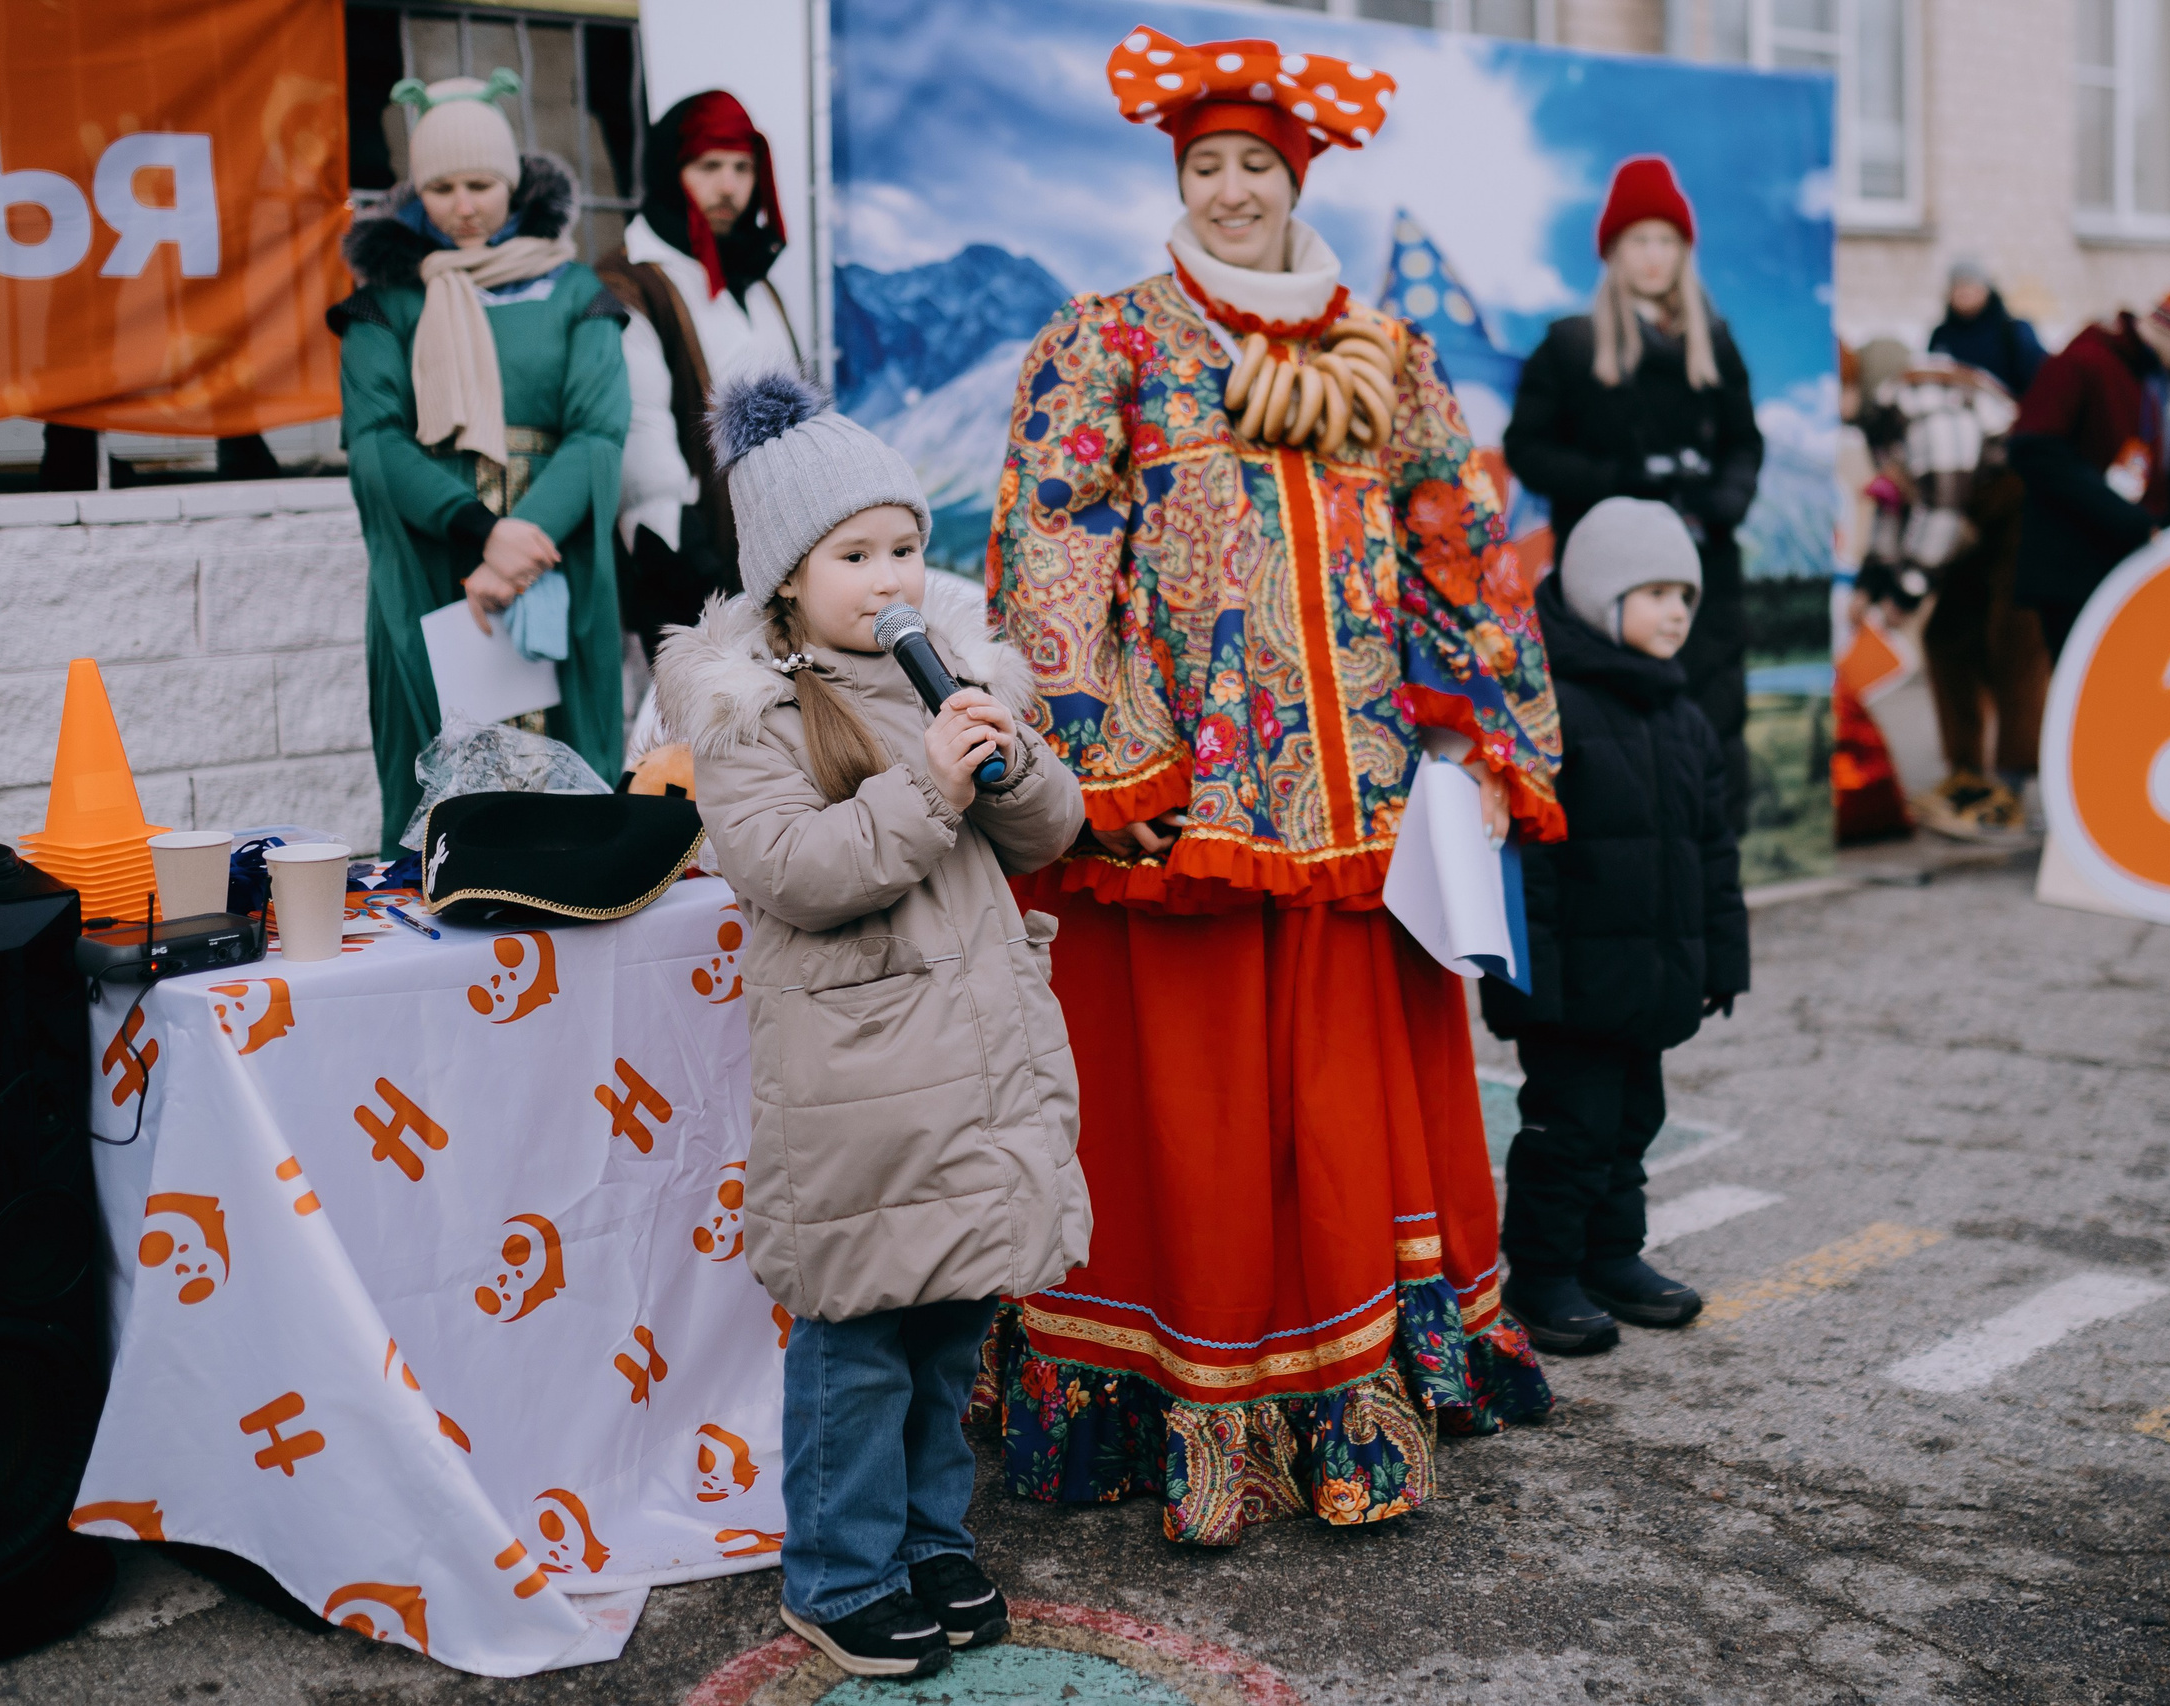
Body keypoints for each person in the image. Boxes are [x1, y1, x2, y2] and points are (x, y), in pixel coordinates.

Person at [981, 27, 1564, 1547]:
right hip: (1193, 825)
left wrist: (1494, 741)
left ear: (1296, 181)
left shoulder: (1387, 356)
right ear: (1178, 180)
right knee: (1201, 1119)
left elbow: (1462, 548)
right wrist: (1109, 758)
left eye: (1255, 165)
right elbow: (1052, 552)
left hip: (1362, 816)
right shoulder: (1109, 342)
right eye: (1204, 167)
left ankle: (1358, 1405)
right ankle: (1189, 1410)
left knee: (1340, 1118)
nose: (1230, 190)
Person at [655, 371, 1089, 1679]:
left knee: (953, 1312)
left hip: (970, 1070)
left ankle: (930, 1537)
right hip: (860, 1080)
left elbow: (1050, 834)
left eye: (904, 545)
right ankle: (840, 1573)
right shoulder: (750, 712)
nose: (891, 575)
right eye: (857, 555)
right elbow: (794, 870)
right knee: (860, 1336)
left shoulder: (943, 670)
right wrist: (925, 784)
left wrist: (1007, 756)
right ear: (787, 577)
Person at [331, 72, 629, 854]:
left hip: (548, 556)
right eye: (442, 186)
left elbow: (599, 431)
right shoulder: (386, 301)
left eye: (481, 184)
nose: (464, 206)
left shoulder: (575, 294)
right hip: (438, 560)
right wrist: (477, 528)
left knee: (566, 783)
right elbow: (376, 439)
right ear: (415, 191)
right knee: (442, 767)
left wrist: (523, 538)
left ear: (514, 182)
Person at [1479, 499, 1747, 1353]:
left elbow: (1712, 853)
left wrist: (1722, 961)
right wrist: (1526, 990)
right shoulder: (1550, 715)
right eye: (1657, 591)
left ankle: (1613, 1255)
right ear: (1600, 596)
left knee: (1632, 1127)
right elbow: (1529, 872)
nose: (1677, 611)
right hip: (1572, 992)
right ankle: (1544, 1271)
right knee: (1569, 1130)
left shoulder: (1684, 718)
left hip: (1652, 981)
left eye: (1686, 596)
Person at [1507, 154, 1765, 831]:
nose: (1653, 257)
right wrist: (1617, 490)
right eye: (1638, 241)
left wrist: (1721, 502)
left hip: (1702, 573)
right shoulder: (1571, 346)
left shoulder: (1716, 343)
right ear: (1614, 252)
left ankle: (1710, 867)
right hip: (1604, 579)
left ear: (1683, 252)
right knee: (1610, 730)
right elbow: (1527, 448)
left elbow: (1745, 442)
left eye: (1665, 241)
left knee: (1711, 720)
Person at [597, 91, 802, 665]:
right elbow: (641, 442)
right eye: (708, 166)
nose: (729, 186)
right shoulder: (631, 282)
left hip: (781, 561)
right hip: (689, 568)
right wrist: (690, 568)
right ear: (673, 171)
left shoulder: (757, 284)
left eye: (742, 167)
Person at [2008, 257, 2170, 661]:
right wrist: (2124, 516)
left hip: (2135, 569)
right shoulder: (2084, 360)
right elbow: (2034, 449)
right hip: (2072, 572)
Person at [1851, 340, 2045, 839]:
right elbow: (1897, 500)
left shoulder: (1929, 410)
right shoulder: (1882, 423)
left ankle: (2011, 788)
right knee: (1947, 637)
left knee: (2013, 644)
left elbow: (1941, 507)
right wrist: (1871, 581)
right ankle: (1966, 775)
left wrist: (1905, 592)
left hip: (2018, 516)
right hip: (1971, 526)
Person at [1928, 258, 2048, 398]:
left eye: (1970, 284)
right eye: (1957, 286)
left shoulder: (2014, 332)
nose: (1964, 292)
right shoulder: (1941, 336)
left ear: (1986, 289)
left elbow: (2042, 382)